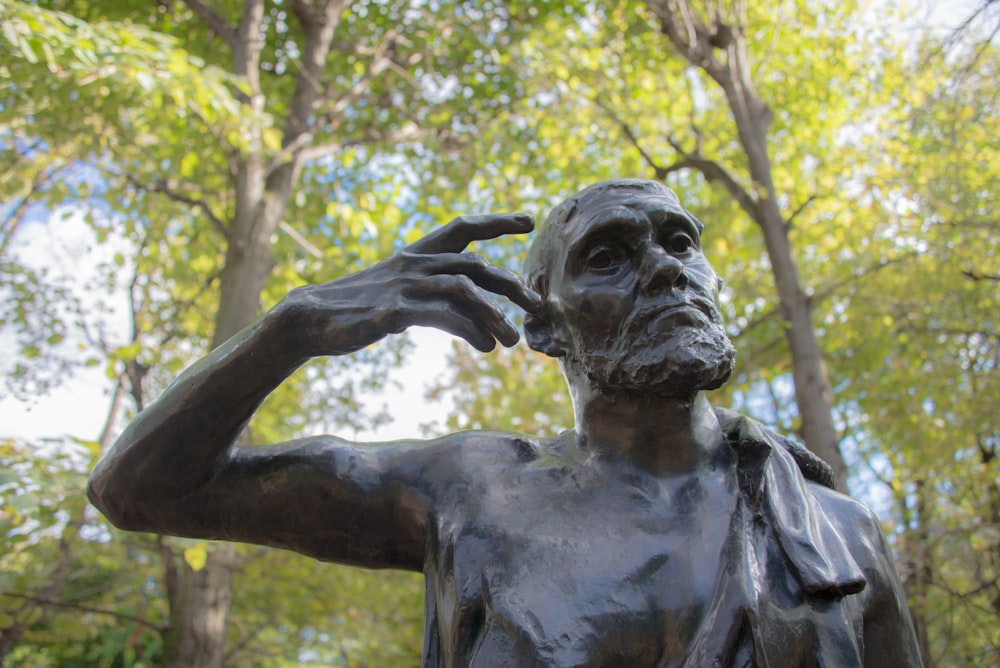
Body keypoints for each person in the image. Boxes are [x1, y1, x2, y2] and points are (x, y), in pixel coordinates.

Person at [89, 179, 922, 666]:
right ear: (545, 327)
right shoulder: (469, 491)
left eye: (681, 241)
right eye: (609, 256)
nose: (667, 268)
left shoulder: (836, 538)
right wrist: (296, 324)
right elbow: (139, 489)